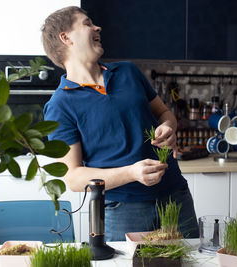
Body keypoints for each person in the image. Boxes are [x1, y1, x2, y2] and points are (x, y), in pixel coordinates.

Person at [41, 6, 199, 241]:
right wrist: (132, 173)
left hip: (175, 194)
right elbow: (74, 178)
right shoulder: (60, 105)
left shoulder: (128, 71)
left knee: (190, 262)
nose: (97, 27)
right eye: (87, 24)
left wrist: (168, 127)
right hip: (123, 209)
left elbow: (165, 113)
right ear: (66, 38)